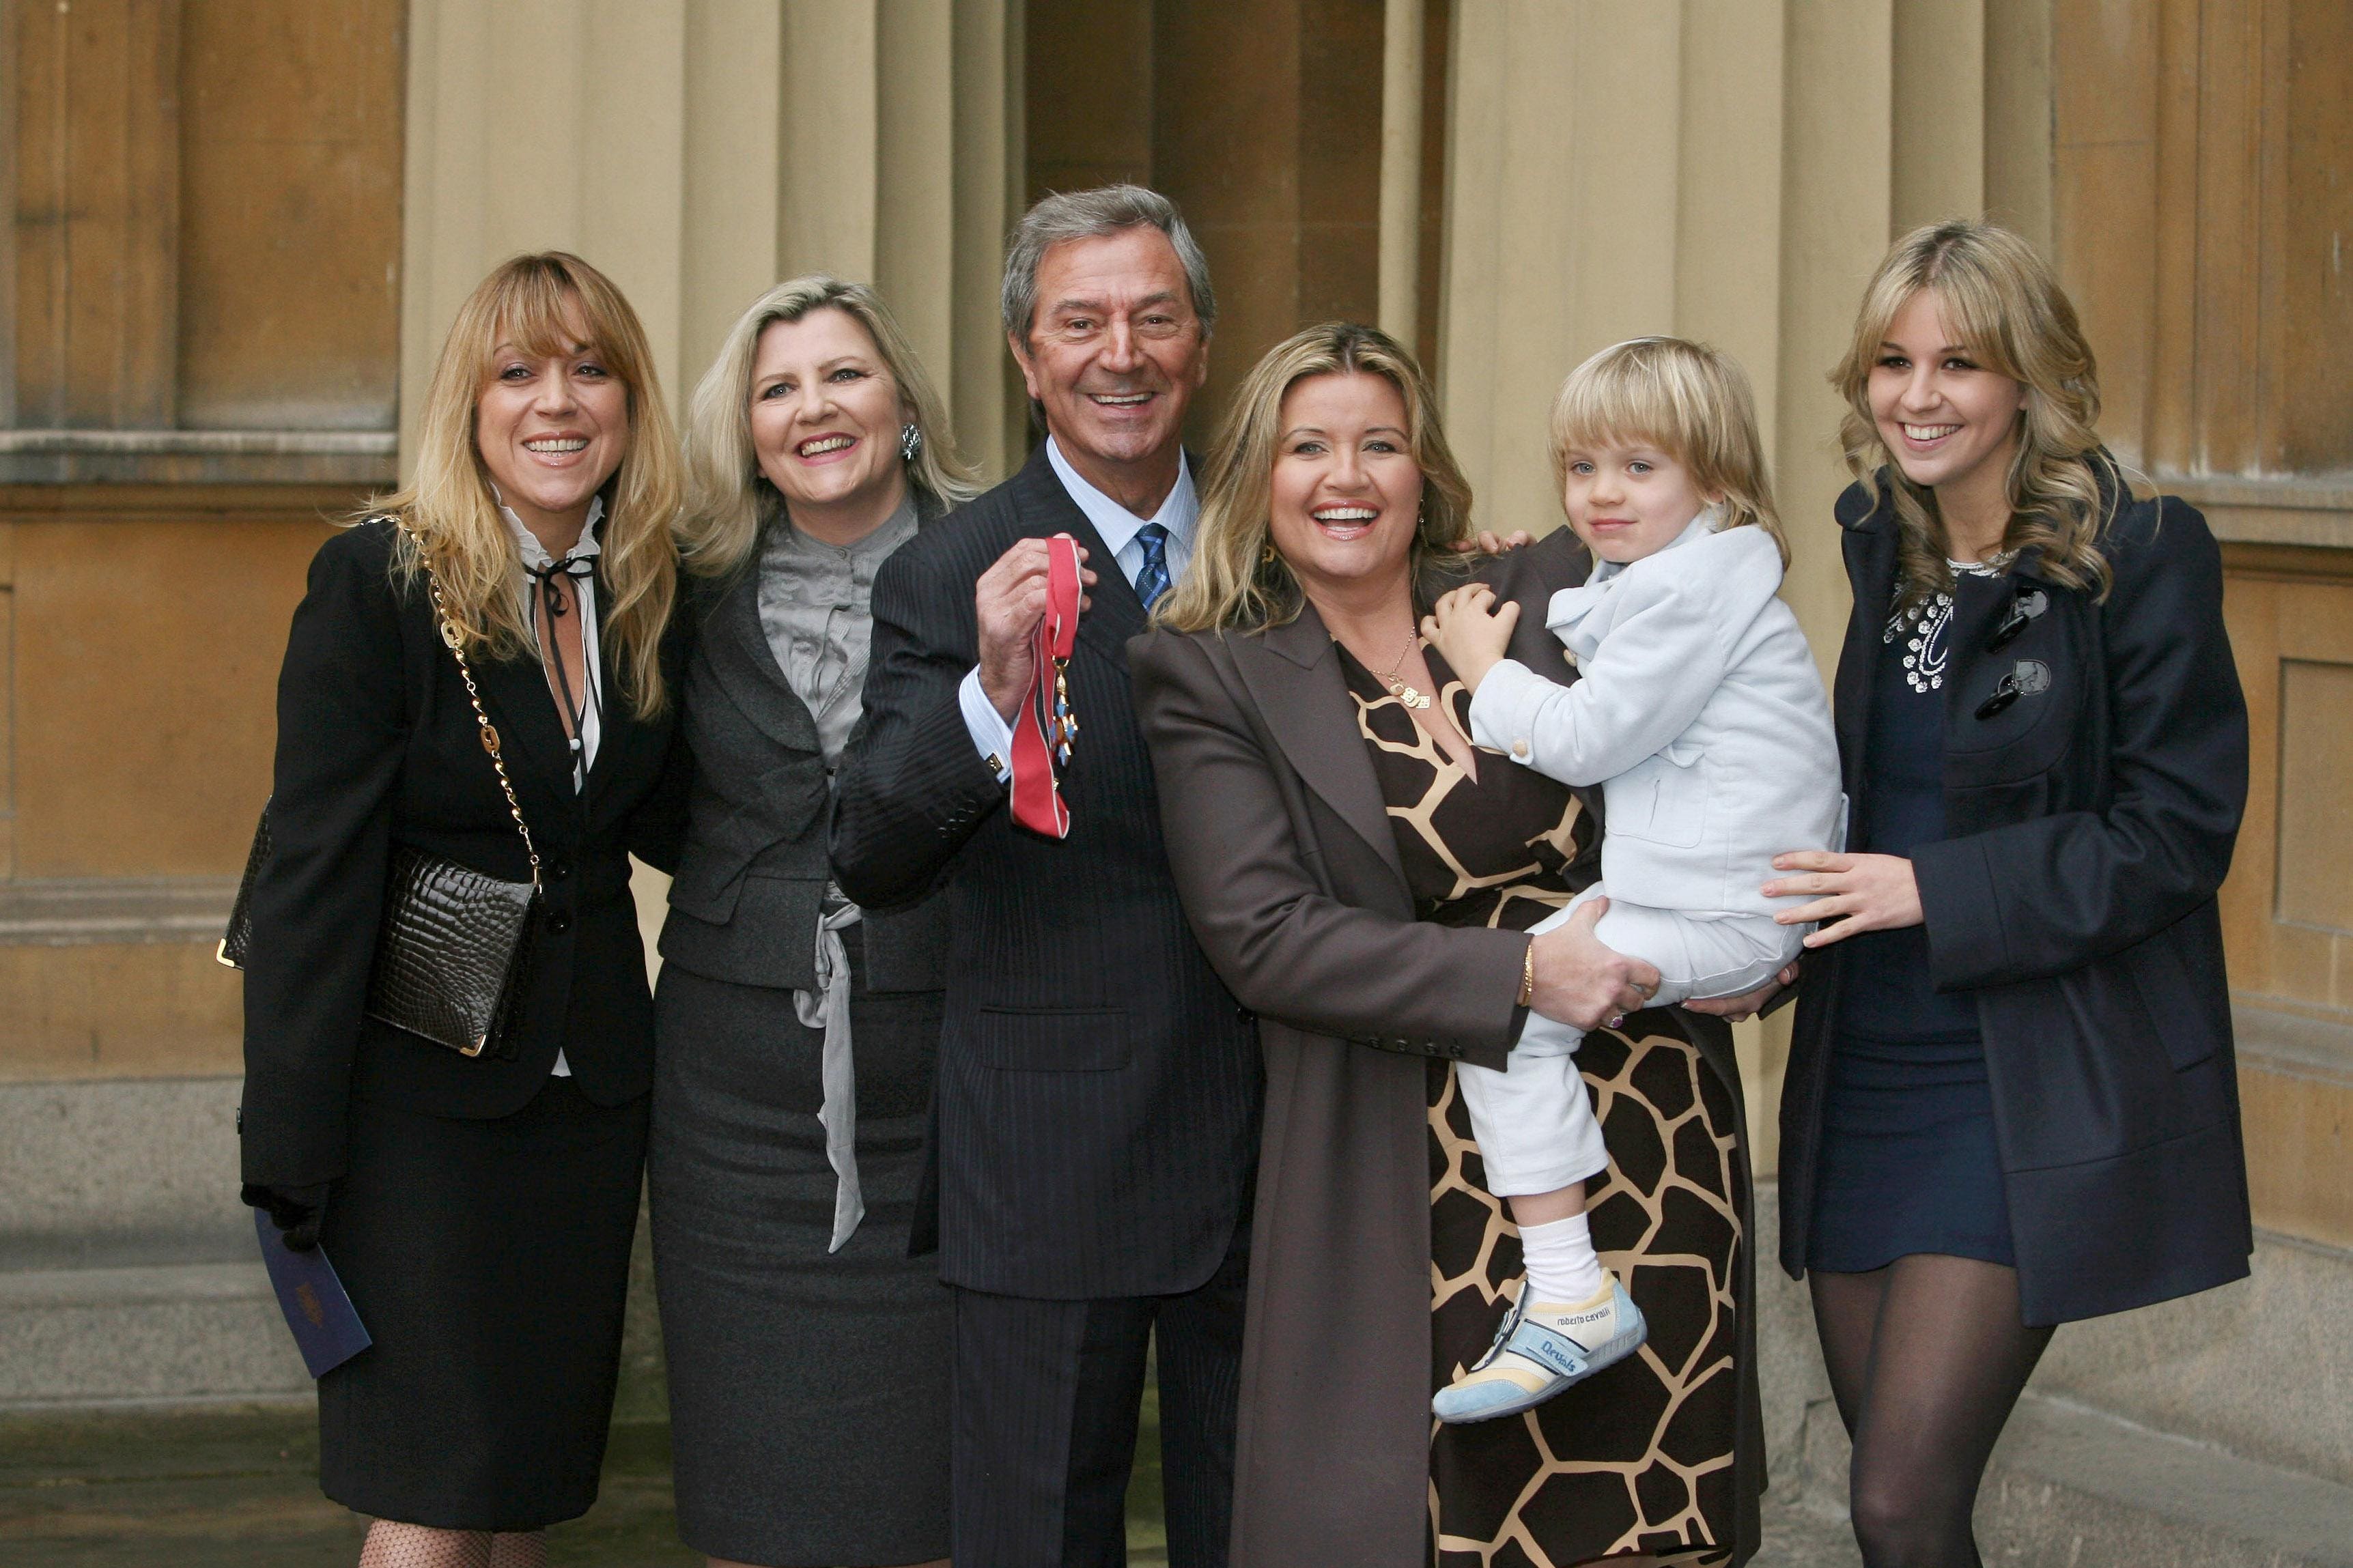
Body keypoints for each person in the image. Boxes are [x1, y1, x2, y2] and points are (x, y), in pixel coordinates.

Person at [1132, 321, 1768, 1568]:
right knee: (1464, 1523)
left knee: (1653, 1520)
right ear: (1259, 473)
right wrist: (1518, 972)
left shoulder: (1536, 590)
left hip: (1647, 1122)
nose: (1346, 477)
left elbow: (1728, 717)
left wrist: (1757, 924)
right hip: (1413, 1159)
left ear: (1426, 468)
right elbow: (1265, 936)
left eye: (1381, 443)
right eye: (1309, 447)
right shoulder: (1208, 669)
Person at [1762, 219, 2251, 1567]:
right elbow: (1864, 789)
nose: (1915, 397)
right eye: (1891, 363)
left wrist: (1935, 885)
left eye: (1958, 364)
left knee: (1897, 1499)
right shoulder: (1882, 541)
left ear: (2027, 378)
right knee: (1900, 1507)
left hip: (2022, 1072)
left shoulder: (2140, 550)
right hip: (1865, 1058)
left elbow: (2173, 832)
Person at [830, 185, 1260, 1567]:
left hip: (1278, 1148)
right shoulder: (951, 570)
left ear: (1201, 344)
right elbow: (873, 851)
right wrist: (985, 693)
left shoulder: (1285, 554)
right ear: (1026, 357)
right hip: (1046, 1156)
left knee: (1266, 1530)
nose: (1118, 354)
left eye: (1153, 318)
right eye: (1080, 322)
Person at [238, 253, 687, 1568]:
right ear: (470, 403)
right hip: (412, 1117)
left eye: (590, 367)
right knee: (434, 1490)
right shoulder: (377, 581)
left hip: (584, 1106)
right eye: (519, 370)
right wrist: (289, 1142)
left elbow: (680, 817)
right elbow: (313, 875)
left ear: (629, 402)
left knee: (522, 1481)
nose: (558, 401)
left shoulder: (652, 587)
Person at [1419, 336, 1842, 1423]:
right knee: (1508, 1007)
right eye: (1579, 466)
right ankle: (1567, 1287)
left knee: (1507, 1016)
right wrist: (1513, 561)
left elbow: (1588, 733)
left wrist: (1479, 669)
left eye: (1638, 467)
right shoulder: (1671, 574)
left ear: (1714, 475)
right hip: (1710, 891)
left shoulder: (1689, 593)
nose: (1601, 494)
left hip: (1727, 907)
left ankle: (1568, 1291)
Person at [653, 276, 979, 1568]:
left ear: (900, 399)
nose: (812, 408)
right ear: (746, 426)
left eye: (842, 374)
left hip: (950, 1085)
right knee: (753, 1490)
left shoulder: (1001, 560)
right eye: (776, 387)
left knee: (934, 1500)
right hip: (732, 1113)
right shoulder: (678, 589)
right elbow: (645, 791)